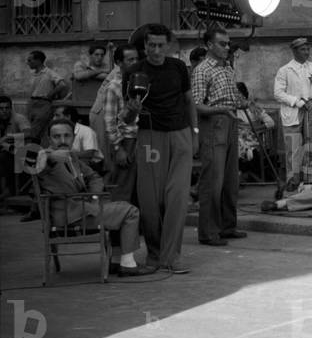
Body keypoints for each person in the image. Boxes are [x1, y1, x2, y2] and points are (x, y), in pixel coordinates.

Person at [30, 118, 155, 276]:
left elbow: (94, 177)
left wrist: (94, 197)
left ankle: (116, 261)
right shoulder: (45, 161)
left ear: (74, 138)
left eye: (67, 136)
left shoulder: (72, 157)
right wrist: (49, 154)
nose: (62, 140)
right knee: (130, 211)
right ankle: (128, 264)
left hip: (84, 210)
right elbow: (26, 154)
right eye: (57, 136)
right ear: (49, 139)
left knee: (120, 207)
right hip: (69, 217)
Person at [122, 23, 197, 274]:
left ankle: (172, 256)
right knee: (150, 199)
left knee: (177, 197)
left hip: (181, 134)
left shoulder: (177, 67)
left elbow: (189, 101)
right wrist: (132, 109)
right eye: (151, 45)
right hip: (150, 135)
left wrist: (194, 132)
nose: (155, 50)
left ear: (168, 45)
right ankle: (154, 254)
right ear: (144, 46)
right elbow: (126, 118)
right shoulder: (133, 71)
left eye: (160, 45)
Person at [192, 26, 248, 246]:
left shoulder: (227, 67)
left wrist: (241, 103)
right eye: (222, 44)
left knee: (230, 179)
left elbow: (230, 96)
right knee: (213, 181)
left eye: (228, 43)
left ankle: (227, 226)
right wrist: (222, 110)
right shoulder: (202, 70)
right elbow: (197, 106)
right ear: (209, 45)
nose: (227, 47)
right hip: (213, 124)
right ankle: (208, 232)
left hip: (230, 121)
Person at [274, 38, 312, 190]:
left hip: (309, 108)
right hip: (294, 110)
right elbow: (278, 93)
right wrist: (296, 101)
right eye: (303, 49)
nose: (306, 52)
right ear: (295, 51)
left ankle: (310, 179)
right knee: (293, 147)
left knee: (310, 145)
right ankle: (292, 180)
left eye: (308, 49)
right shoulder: (285, 70)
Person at [97, 44, 140, 203]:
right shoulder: (114, 86)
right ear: (119, 62)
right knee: (123, 185)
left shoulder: (140, 82)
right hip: (126, 140)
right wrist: (118, 148)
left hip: (143, 139)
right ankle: (118, 222)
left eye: (136, 59)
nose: (135, 62)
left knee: (140, 186)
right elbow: (109, 121)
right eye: (130, 60)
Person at [26, 50, 69, 142]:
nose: (28, 63)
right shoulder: (33, 74)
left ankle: (31, 152)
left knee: (35, 132)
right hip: (32, 103)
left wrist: (51, 94)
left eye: (30, 60)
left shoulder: (49, 73)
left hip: (43, 104)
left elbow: (62, 85)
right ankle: (31, 151)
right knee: (29, 129)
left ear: (38, 61)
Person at [51, 105, 104, 173]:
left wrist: (67, 154)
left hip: (91, 164)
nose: (53, 119)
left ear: (68, 117)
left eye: (57, 115)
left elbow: (89, 154)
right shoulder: (58, 131)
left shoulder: (86, 131)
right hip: (70, 161)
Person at [234, 82, 275, 164]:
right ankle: (246, 153)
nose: (235, 97)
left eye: (237, 93)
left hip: (252, 140)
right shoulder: (232, 108)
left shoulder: (253, 107)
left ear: (243, 94)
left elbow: (271, 123)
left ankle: (248, 153)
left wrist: (253, 128)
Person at [1, 95, 31, 200]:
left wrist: (8, 137)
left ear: (11, 108)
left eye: (7, 108)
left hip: (20, 152)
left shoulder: (19, 118)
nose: (4, 111)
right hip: (6, 150)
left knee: (5, 157)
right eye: (1, 108)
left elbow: (28, 133)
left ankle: (9, 190)